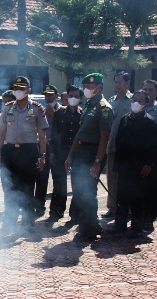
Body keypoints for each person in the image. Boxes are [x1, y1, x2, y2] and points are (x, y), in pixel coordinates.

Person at [0, 76, 48, 234]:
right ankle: (9, 222)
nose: (18, 91)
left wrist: (42, 155)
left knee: (28, 188)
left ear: (28, 90)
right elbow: (1, 133)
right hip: (9, 152)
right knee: (9, 188)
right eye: (16, 88)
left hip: (29, 152)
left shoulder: (37, 109)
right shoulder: (7, 108)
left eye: (21, 89)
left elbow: (42, 135)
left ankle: (28, 222)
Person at [65, 73, 114, 242]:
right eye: (85, 86)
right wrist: (71, 156)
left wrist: (97, 162)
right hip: (82, 152)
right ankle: (93, 224)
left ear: (98, 88)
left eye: (89, 87)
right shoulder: (88, 106)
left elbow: (104, 137)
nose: (85, 89)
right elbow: (80, 133)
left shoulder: (104, 108)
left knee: (87, 192)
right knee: (80, 192)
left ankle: (88, 231)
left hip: (94, 153)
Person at [109, 90, 157, 238]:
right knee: (121, 196)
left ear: (146, 104)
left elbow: (153, 146)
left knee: (137, 198)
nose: (136, 102)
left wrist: (148, 164)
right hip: (124, 164)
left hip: (140, 166)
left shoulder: (149, 122)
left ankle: (136, 228)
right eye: (134, 99)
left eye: (140, 101)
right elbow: (118, 139)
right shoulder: (125, 119)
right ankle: (120, 226)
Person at [48, 85, 83, 223]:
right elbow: (53, 134)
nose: (73, 98)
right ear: (66, 97)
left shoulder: (83, 115)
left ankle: (75, 213)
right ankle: (56, 211)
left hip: (76, 154)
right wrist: (52, 152)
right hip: (60, 152)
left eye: (76, 96)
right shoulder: (59, 113)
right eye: (70, 96)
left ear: (81, 98)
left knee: (77, 185)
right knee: (59, 184)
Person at [102, 71, 132, 219]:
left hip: (128, 148)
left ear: (127, 83)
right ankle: (112, 208)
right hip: (112, 145)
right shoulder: (111, 101)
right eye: (115, 82)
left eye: (120, 82)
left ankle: (129, 210)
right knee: (112, 178)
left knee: (127, 180)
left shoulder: (134, 100)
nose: (117, 85)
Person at [35, 85, 61, 218]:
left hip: (56, 148)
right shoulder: (41, 110)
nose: (48, 97)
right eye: (46, 95)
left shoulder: (62, 110)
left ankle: (55, 210)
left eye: (51, 95)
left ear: (57, 96)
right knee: (41, 179)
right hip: (44, 147)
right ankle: (39, 207)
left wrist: (54, 115)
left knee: (57, 179)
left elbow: (63, 128)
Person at [142, 79, 157, 232]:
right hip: (137, 155)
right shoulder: (137, 107)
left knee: (151, 189)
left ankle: (149, 220)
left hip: (153, 154)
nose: (147, 92)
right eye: (145, 89)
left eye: (150, 90)